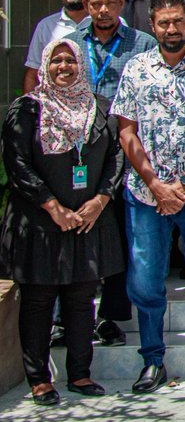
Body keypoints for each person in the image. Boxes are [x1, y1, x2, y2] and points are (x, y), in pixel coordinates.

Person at [111, 0, 185, 394]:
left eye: (178, 20)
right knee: (145, 281)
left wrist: (184, 183)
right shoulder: (135, 68)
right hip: (146, 196)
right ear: (152, 25)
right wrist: (155, 185)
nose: (172, 28)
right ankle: (152, 359)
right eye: (164, 22)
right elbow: (126, 131)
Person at [1, 40, 124, 405]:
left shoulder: (100, 110)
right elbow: (17, 162)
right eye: (56, 60)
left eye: (71, 60)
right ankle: (39, 378)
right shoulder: (26, 110)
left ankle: (80, 373)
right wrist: (53, 207)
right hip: (40, 222)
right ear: (44, 65)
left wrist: (100, 200)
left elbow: (116, 159)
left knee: (82, 298)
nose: (64, 66)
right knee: (39, 300)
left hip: (88, 221)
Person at [65, 0, 155, 346]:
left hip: (127, 146)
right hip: (80, 152)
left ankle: (111, 316)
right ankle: (71, 315)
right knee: (81, 235)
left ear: (122, 4)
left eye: (110, 3)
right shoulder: (69, 46)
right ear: (86, 5)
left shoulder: (142, 44)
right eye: (95, 3)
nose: (103, 10)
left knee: (121, 234)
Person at [23, 0, 91, 94]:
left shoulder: (108, 23)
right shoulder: (46, 27)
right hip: (56, 109)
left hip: (100, 108)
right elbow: (33, 74)